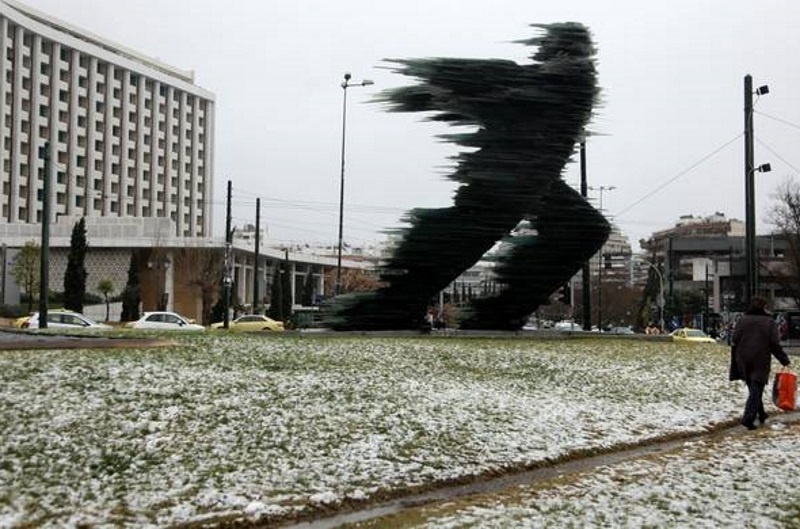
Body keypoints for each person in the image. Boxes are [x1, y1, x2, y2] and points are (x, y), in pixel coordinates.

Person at [730, 296, 792, 430]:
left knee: (753, 387)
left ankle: (762, 414)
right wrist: (784, 360)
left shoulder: (742, 320)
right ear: (764, 307)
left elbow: (734, 338)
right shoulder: (769, 322)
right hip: (760, 358)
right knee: (756, 388)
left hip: (743, 358)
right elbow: (774, 344)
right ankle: (748, 418)